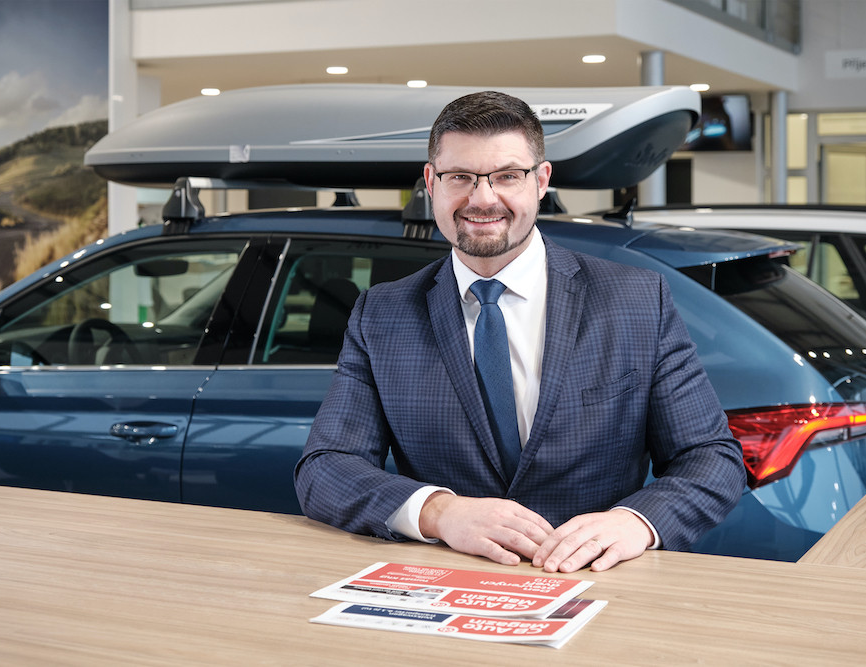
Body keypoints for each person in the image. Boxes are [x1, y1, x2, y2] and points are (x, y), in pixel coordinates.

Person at [295, 90, 745, 573]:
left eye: (507, 175)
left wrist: (634, 522)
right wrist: (440, 512)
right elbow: (325, 467)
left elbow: (711, 458)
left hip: (598, 582)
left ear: (541, 180)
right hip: (448, 585)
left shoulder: (636, 300)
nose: (483, 198)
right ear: (430, 182)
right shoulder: (382, 314)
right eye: (460, 177)